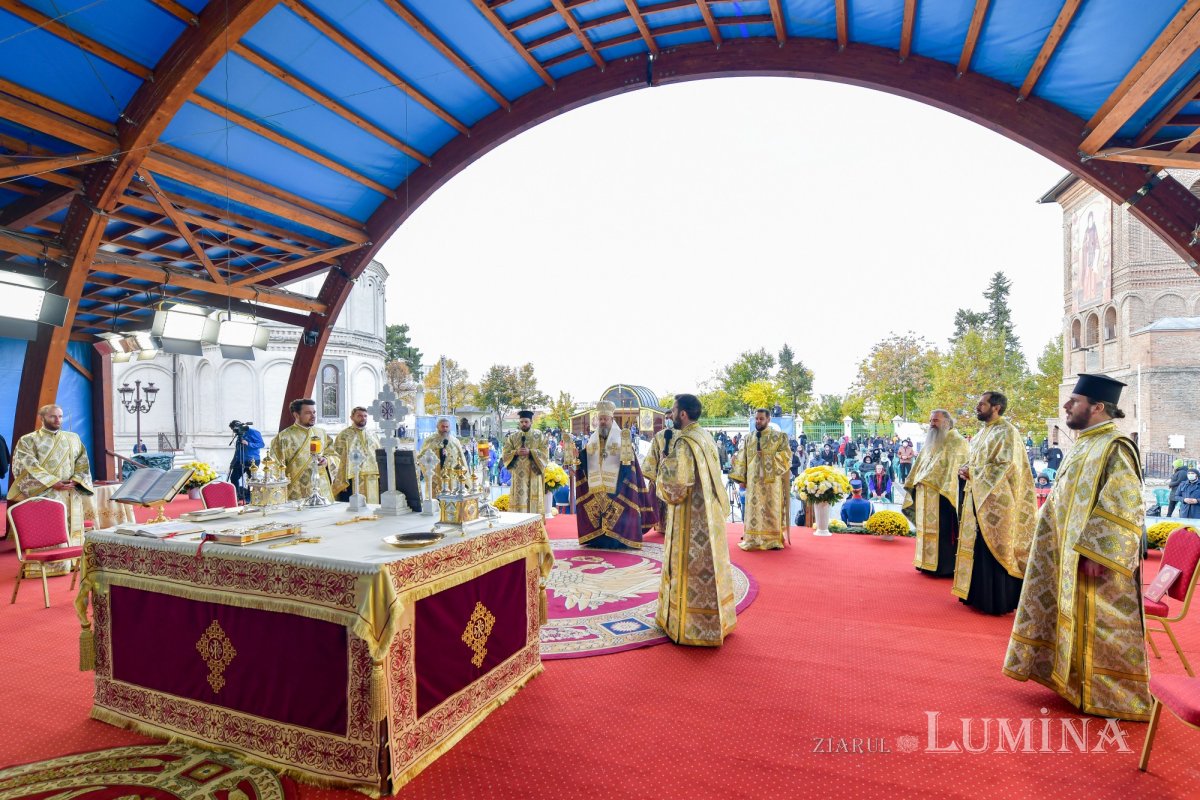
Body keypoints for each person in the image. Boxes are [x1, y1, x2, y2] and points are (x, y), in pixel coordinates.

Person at [1005, 374, 1152, 721]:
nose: (1067, 405)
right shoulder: (1085, 443)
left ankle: (1111, 697)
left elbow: (1125, 502)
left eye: (1075, 401)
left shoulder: (1115, 446)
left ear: (1098, 407)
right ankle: (1070, 683)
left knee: (1101, 624)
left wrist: (1100, 553)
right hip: (1066, 553)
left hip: (1094, 559)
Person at [654, 394, 737, 646]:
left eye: (673, 410)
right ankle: (716, 622)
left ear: (682, 414)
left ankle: (688, 625)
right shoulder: (705, 436)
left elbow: (677, 486)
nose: (670, 415)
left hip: (690, 517)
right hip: (709, 513)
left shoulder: (684, 443)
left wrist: (663, 468)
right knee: (710, 565)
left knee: (688, 567)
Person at [953, 392, 1036, 615]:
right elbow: (977, 461)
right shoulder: (982, 432)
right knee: (978, 546)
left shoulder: (1007, 432)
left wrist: (973, 472)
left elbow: (1005, 465)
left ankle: (996, 601)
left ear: (996, 407)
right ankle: (977, 596)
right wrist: (965, 468)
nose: (977, 407)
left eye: (982, 404)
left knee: (994, 547)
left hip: (999, 501)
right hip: (978, 496)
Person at [574, 401, 656, 549]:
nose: (603, 422)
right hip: (598, 486)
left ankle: (619, 540)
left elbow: (630, 463)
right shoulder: (592, 441)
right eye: (600, 419)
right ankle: (599, 539)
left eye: (605, 419)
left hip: (619, 484)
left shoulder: (622, 439)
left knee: (617, 511)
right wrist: (577, 457)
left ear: (612, 420)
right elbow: (586, 459)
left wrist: (623, 475)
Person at [6, 403, 94, 539]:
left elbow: (82, 461)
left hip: (69, 492)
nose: (58, 420)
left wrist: (76, 480)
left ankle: (72, 552)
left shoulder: (73, 438)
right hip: (44, 492)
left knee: (72, 533)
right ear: (42, 418)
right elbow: (26, 466)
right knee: (46, 532)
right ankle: (47, 552)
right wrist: (52, 482)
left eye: (60, 416)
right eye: (53, 416)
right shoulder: (28, 440)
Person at [903, 409, 970, 578]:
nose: (932, 424)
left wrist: (926, 479)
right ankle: (925, 563)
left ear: (947, 422)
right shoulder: (931, 441)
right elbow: (921, 466)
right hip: (926, 494)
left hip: (944, 496)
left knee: (943, 532)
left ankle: (943, 567)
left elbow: (953, 470)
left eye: (935, 420)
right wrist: (915, 481)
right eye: (931, 420)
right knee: (925, 531)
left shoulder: (957, 442)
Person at [729, 409, 791, 550]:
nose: (758, 421)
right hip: (753, 484)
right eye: (756, 418)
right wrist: (739, 475)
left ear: (768, 419)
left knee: (771, 510)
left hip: (772, 484)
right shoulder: (749, 438)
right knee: (754, 511)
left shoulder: (779, 437)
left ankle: (772, 539)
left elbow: (786, 456)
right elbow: (743, 459)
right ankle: (753, 538)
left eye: (761, 419)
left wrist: (766, 455)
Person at [269, 398, 340, 502]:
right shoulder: (283, 437)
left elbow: (334, 455)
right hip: (295, 489)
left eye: (314, 412)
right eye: (308, 413)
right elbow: (274, 465)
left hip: (321, 488)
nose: (313, 416)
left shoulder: (321, 433)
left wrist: (326, 460)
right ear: (296, 415)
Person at [501, 410, 548, 515]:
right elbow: (505, 454)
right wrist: (515, 452)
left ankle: (535, 522)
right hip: (519, 476)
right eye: (521, 422)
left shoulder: (539, 435)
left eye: (526, 422)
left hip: (534, 473)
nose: (524, 424)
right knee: (519, 500)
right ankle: (519, 522)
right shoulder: (513, 437)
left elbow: (545, 453)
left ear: (531, 422)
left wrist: (531, 452)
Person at [332, 406, 380, 503]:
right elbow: (337, 458)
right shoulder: (344, 435)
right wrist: (341, 479)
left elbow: (378, 455)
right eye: (359, 416)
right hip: (352, 477)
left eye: (365, 416)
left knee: (372, 504)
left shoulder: (373, 435)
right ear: (352, 417)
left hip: (372, 476)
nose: (363, 418)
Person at [418, 417, 470, 493]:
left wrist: (466, 480)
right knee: (436, 499)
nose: (445, 429)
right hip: (436, 478)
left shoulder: (455, 441)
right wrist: (430, 477)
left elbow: (462, 460)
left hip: (453, 479)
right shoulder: (430, 440)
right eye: (443, 427)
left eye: (447, 427)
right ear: (437, 427)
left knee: (452, 498)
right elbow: (422, 458)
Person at [227, 420, 264, 503]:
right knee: (234, 477)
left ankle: (249, 499)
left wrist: (248, 443)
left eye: (234, 429)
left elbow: (261, 444)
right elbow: (238, 449)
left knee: (251, 480)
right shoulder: (239, 434)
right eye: (233, 430)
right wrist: (233, 461)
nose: (234, 431)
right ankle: (236, 496)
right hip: (240, 459)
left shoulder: (254, 432)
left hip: (252, 460)